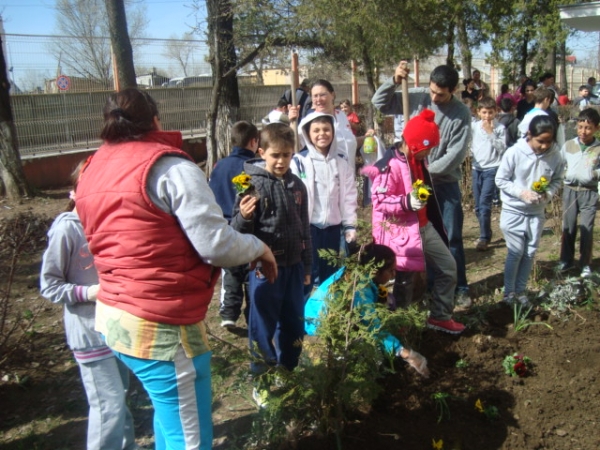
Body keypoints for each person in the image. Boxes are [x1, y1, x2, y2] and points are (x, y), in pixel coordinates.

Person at [76, 88, 278, 450]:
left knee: (167, 416)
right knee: (189, 440)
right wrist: (259, 247)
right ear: (155, 119)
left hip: (113, 318)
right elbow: (215, 244)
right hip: (161, 329)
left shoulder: (92, 167)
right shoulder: (170, 168)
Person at [40, 183, 138, 450]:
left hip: (115, 328)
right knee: (108, 404)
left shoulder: (110, 225)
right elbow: (49, 285)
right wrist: (89, 292)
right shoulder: (66, 229)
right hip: (88, 333)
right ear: (73, 193)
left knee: (119, 397)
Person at [372, 61, 472, 308]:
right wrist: (394, 80)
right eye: (432, 91)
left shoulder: (460, 113)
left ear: (453, 90)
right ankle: (426, 288)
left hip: (443, 184)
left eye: (441, 94)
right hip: (411, 184)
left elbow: (455, 154)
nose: (434, 98)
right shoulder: (417, 95)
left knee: (451, 236)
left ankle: (460, 287)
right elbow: (379, 103)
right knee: (416, 238)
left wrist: (425, 175)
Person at [362, 109, 466, 334]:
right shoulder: (389, 166)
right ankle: (400, 328)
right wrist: (406, 202)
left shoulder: (419, 160)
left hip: (423, 226)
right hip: (401, 233)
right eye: (429, 147)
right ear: (417, 144)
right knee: (404, 281)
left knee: (448, 267)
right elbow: (379, 201)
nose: (431, 152)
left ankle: (440, 316)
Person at [230, 123, 312, 405]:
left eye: (287, 155)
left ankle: (287, 370)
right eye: (275, 155)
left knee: (294, 324)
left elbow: (305, 229)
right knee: (262, 327)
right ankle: (261, 380)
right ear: (262, 152)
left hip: (294, 267)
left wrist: (307, 266)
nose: (281, 161)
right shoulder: (248, 184)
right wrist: (243, 216)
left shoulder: (297, 186)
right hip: (264, 270)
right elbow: (236, 231)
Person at [304, 243, 429, 377]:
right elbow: (373, 329)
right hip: (319, 325)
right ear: (375, 271)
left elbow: (377, 294)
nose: (394, 275)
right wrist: (406, 354)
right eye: (390, 271)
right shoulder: (359, 292)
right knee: (366, 349)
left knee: (389, 301)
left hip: (319, 311)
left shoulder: (357, 271)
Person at [495, 115, 564, 306]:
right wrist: (521, 193)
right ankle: (509, 294)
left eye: (549, 141)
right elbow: (500, 179)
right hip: (513, 210)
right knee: (516, 252)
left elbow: (557, 179)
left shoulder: (555, 155)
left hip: (536, 212)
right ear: (529, 135)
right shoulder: (514, 153)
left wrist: (547, 193)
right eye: (540, 141)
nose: (544, 146)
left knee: (530, 252)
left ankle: (520, 291)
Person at [292, 111, 358, 293]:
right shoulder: (299, 161)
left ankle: (328, 306)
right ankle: (305, 308)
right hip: (309, 229)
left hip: (333, 229)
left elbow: (349, 196)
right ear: (307, 134)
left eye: (326, 129)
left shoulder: (341, 162)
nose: (322, 134)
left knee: (331, 275)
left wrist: (350, 225)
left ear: (333, 131)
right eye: (316, 130)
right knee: (308, 274)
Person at [208, 121, 259, 328]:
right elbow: (247, 196)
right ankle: (251, 313)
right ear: (254, 141)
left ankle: (228, 313)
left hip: (222, 223)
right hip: (244, 223)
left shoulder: (219, 165)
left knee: (230, 270)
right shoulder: (248, 166)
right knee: (248, 270)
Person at [558, 108, 600, 278]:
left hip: (589, 193)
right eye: (580, 127)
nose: (583, 131)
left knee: (587, 228)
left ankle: (585, 263)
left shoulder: (598, 148)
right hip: (570, 191)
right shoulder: (569, 145)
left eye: (588, 128)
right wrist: (565, 175)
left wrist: (593, 174)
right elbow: (559, 164)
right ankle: (566, 260)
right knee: (568, 226)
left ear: (596, 128)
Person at [470, 97, 507, 252]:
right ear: (479, 112)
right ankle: (486, 231)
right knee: (478, 206)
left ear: (496, 112)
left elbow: (502, 149)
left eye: (490, 112)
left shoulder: (500, 128)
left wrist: (491, 133)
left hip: (492, 169)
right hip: (476, 168)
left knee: (485, 203)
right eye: (484, 112)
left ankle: (484, 238)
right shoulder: (474, 127)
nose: (487, 116)